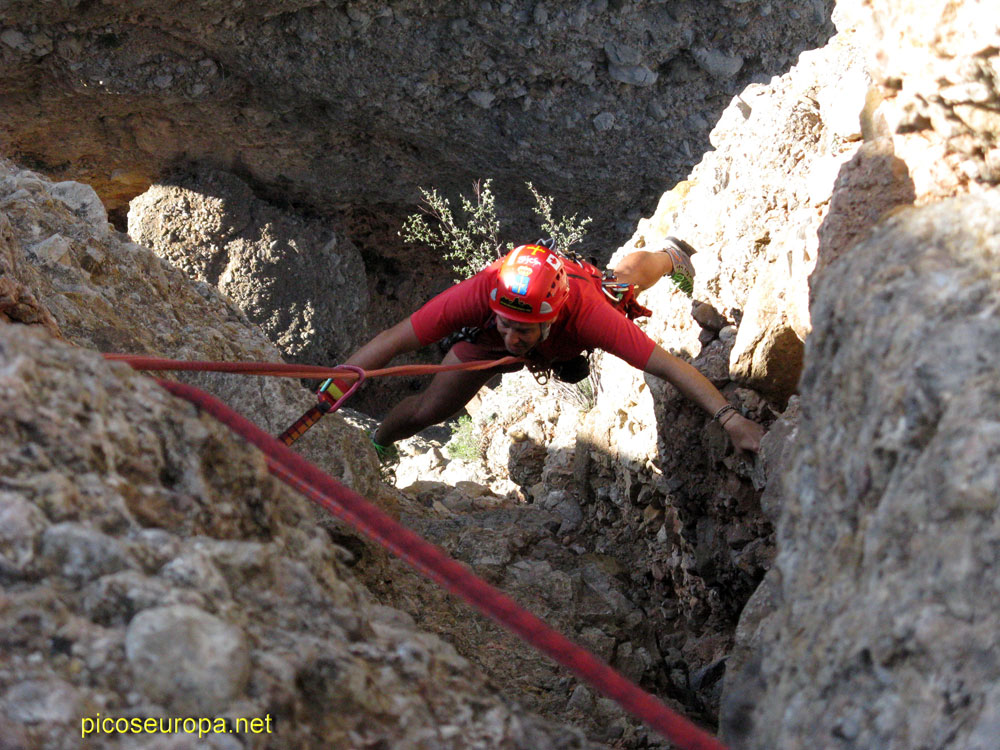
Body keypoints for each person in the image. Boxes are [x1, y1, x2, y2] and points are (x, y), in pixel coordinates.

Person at [336, 238, 765, 461]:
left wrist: (730, 420)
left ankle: (671, 256)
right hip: (483, 346)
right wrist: (330, 393)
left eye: (524, 330)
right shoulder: (484, 291)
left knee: (621, 283)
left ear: (553, 317)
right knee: (428, 411)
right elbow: (392, 340)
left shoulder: (587, 315)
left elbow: (669, 367)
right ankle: (380, 443)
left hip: (577, 306)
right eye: (508, 323)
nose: (513, 337)